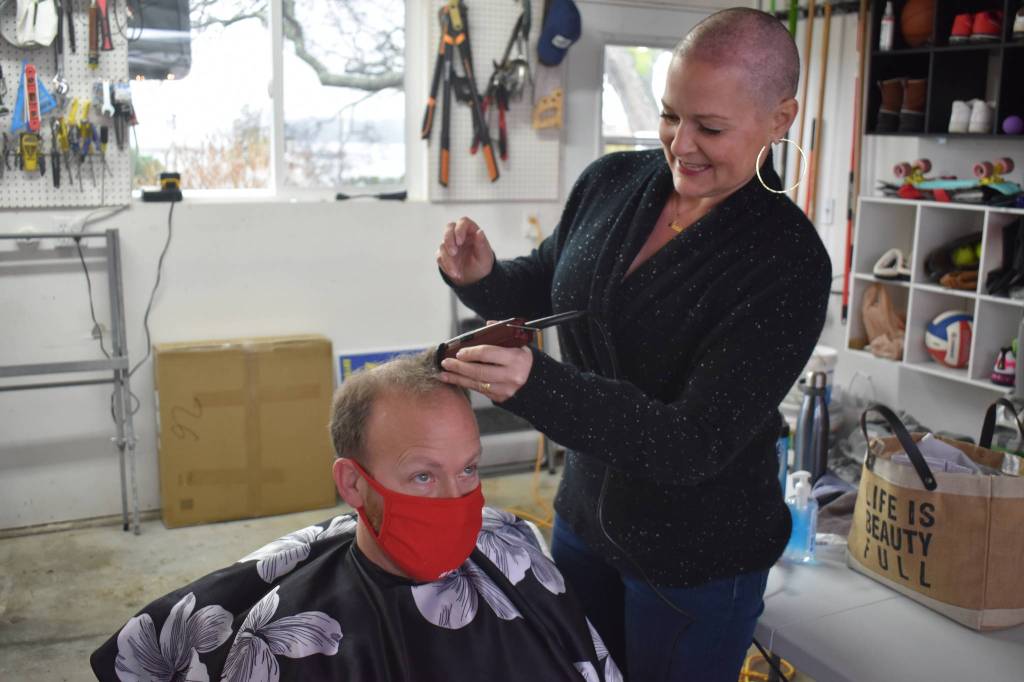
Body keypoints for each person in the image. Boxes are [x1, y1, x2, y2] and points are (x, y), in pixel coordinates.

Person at [434, 8, 831, 682]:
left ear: (780, 120)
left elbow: (693, 441)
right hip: (586, 521)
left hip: (696, 562)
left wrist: (535, 385)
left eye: (710, 127)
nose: (681, 144)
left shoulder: (786, 263)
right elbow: (553, 289)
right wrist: (484, 279)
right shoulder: (613, 182)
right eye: (671, 115)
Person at [90, 352, 622, 682]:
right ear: (352, 484)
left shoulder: (516, 551)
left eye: (468, 470)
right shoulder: (284, 638)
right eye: (422, 476)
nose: (455, 499)